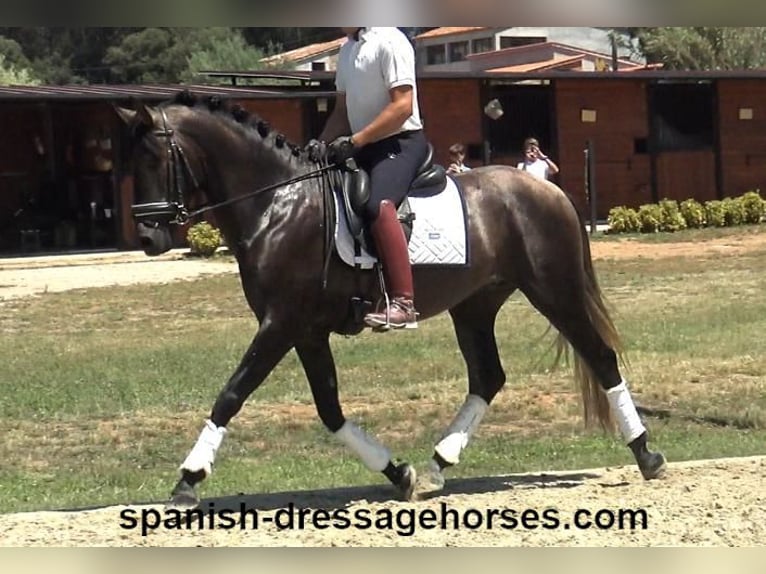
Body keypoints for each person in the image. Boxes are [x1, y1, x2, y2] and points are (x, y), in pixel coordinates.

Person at [309, 27, 428, 330]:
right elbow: (341, 111)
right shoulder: (347, 50)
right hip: (363, 144)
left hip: (400, 144)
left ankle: (403, 302)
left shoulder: (391, 40)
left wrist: (357, 140)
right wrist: (321, 142)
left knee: (379, 204)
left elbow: (402, 106)